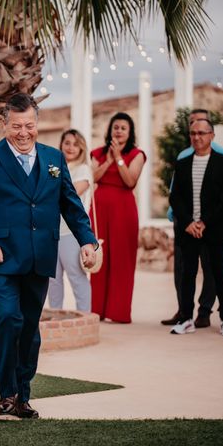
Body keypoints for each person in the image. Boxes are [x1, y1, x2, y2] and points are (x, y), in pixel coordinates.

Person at [0, 93, 97, 419]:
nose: (24, 132)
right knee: (8, 318)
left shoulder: (53, 158)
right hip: (0, 257)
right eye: (17, 126)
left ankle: (23, 394)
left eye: (29, 125)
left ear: (37, 124)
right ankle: (6, 392)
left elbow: (71, 206)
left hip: (40, 256)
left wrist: (87, 241)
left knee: (30, 328)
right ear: (5, 124)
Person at [169, 118, 223, 336]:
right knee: (187, 274)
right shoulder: (182, 164)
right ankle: (186, 318)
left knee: (219, 273)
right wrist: (189, 222)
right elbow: (175, 197)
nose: (197, 137)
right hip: (188, 229)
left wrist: (204, 221)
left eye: (202, 133)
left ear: (212, 136)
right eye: (193, 133)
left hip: (215, 228)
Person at [161, 109, 223, 328]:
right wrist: (180, 217)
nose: (196, 133)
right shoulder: (183, 156)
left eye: (200, 127)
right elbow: (175, 189)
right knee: (182, 268)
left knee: (211, 269)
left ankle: (205, 311)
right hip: (184, 222)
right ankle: (183, 310)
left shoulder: (222, 155)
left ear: (210, 131)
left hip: (211, 224)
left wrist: (205, 220)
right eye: (192, 126)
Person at [90, 112, 146, 324]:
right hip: (100, 208)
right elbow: (92, 177)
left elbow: (130, 181)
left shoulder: (137, 154)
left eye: (123, 128)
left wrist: (120, 159)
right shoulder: (97, 153)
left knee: (122, 259)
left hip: (123, 209)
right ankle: (97, 310)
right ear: (110, 130)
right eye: (116, 127)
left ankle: (119, 311)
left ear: (130, 132)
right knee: (99, 257)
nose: (119, 131)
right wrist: (109, 160)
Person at [48, 129, 93, 311]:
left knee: (76, 276)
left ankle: (85, 317)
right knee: (53, 279)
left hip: (72, 232)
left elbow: (71, 194)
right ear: (61, 145)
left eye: (75, 144)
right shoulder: (54, 168)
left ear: (81, 148)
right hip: (51, 231)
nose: (71, 147)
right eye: (67, 143)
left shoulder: (83, 170)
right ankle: (55, 316)